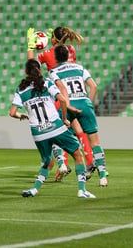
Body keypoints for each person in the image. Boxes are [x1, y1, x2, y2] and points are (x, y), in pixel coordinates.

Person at [9, 58, 95, 198]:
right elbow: (62, 99)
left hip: (38, 132)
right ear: (39, 70)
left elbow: (12, 113)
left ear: (26, 72)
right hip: (56, 127)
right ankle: (82, 190)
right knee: (78, 155)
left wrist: (22, 116)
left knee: (47, 162)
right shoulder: (47, 83)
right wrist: (65, 119)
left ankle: (34, 190)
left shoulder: (20, 89)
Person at [27, 26, 96, 181]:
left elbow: (31, 64)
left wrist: (31, 46)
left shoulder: (47, 54)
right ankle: (91, 161)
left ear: (53, 39)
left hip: (59, 95)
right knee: (78, 129)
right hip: (76, 92)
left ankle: (63, 164)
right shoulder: (71, 49)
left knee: (56, 131)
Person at [49, 45, 108, 187]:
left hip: (68, 105)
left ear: (55, 58)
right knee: (95, 143)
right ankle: (103, 177)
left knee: (54, 136)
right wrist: (89, 103)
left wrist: (67, 107)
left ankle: (63, 163)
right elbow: (93, 86)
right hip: (84, 102)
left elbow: (59, 91)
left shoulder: (53, 71)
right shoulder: (80, 68)